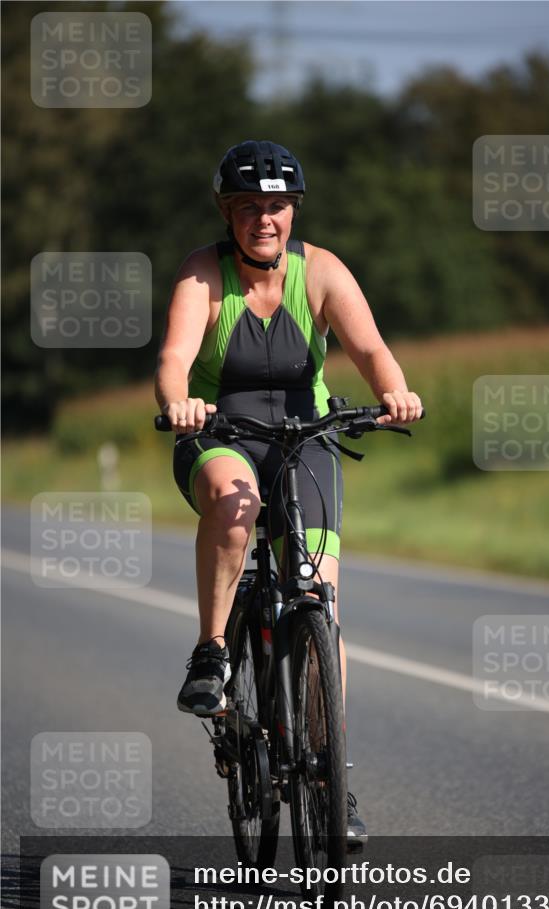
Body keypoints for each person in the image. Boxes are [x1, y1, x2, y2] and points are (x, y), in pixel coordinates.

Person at [155, 139, 422, 845]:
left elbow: (371, 349)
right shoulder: (203, 274)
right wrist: (179, 402)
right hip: (220, 434)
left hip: (305, 440)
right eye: (247, 206)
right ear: (227, 213)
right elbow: (174, 357)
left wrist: (394, 392)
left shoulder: (321, 271)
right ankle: (213, 651)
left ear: (293, 211)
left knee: (320, 609)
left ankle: (332, 777)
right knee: (235, 504)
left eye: (275, 206)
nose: (263, 219)